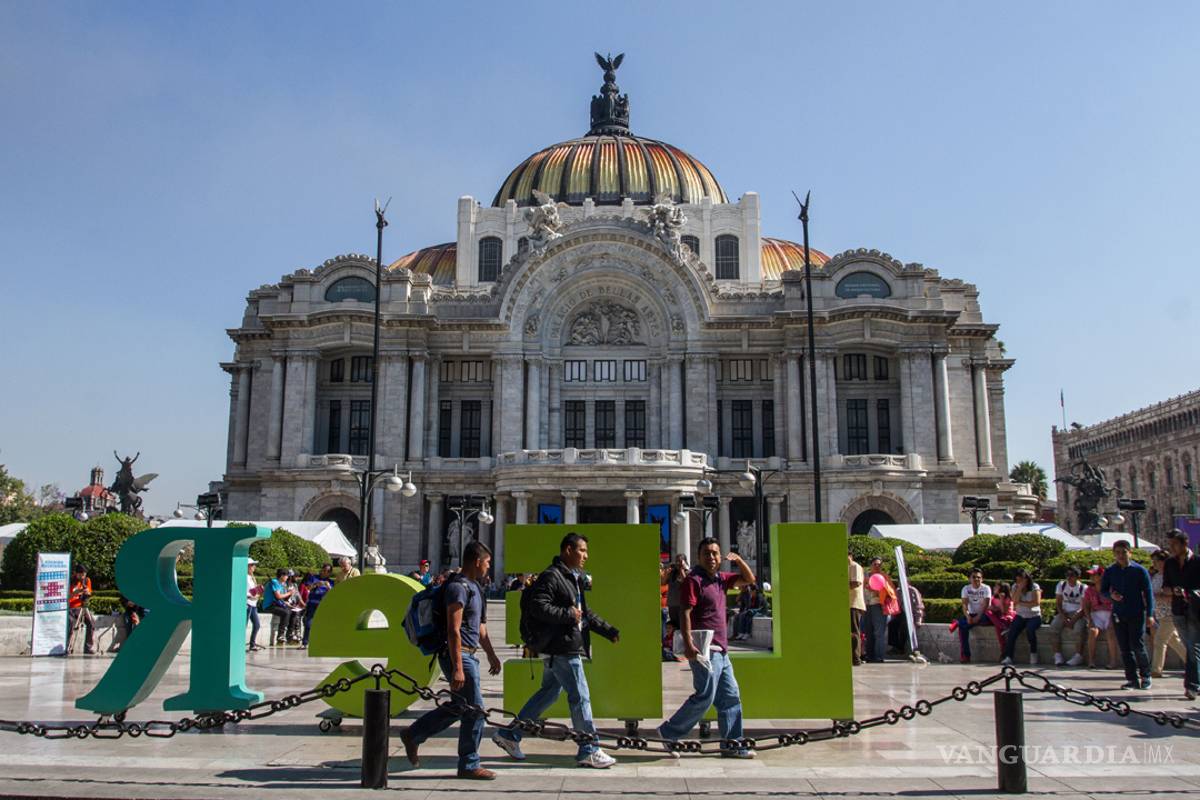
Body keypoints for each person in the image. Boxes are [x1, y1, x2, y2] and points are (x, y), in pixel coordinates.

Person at [494, 533, 620, 768]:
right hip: (562, 646)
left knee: (549, 693)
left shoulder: (573, 578)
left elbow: (584, 612)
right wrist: (568, 615)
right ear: (568, 550)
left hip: (561, 644)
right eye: (582, 551)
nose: (586, 556)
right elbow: (538, 606)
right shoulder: (552, 576)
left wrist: (608, 630)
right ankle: (588, 748)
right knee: (580, 696)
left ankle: (510, 735)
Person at [401, 541, 502, 780]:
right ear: (477, 561)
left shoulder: (477, 588)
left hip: (470, 654)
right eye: (487, 562)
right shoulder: (457, 588)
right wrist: (457, 667)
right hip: (458, 654)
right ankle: (469, 763)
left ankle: (414, 734)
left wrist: (491, 654)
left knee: (460, 707)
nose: (489, 566)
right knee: (475, 710)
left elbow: (481, 629)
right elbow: (453, 629)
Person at [656, 537, 756, 759]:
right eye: (706, 553)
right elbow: (685, 612)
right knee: (705, 696)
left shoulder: (722, 579)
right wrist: (690, 643)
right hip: (704, 648)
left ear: (720, 557)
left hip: (722, 650)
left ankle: (732, 743)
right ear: (699, 557)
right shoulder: (694, 580)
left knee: (730, 696)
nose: (711, 557)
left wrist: (739, 559)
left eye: (715, 553)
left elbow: (749, 579)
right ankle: (668, 732)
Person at [1101, 540, 1154, 689]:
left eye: (1123, 552)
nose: (1121, 556)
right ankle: (1132, 678)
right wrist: (1112, 596)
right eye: (1117, 553)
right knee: (1124, 648)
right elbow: (1103, 591)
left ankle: (1146, 675)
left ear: (1129, 552)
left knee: (1138, 645)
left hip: (1136, 612)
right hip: (1119, 613)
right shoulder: (1111, 571)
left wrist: (1150, 614)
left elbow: (1148, 593)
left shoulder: (1139, 570)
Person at [1163, 529, 1200, 699]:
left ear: (1185, 543)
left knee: (1193, 648)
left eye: (1174, 544)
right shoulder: (1170, 564)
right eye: (1170, 545)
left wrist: (1189, 592)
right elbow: (1165, 587)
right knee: (1191, 649)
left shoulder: (1197, 562)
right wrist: (1174, 591)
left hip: (1195, 609)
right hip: (1178, 609)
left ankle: (1191, 686)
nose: (1172, 548)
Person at [1149, 549, 1187, 679]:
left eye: (1157, 561)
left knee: (1159, 640)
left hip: (1171, 612)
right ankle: (1192, 662)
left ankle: (1156, 669)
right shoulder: (1156, 576)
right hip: (1160, 612)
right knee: (1174, 641)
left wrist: (1160, 596)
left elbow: (1176, 595)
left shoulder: (1172, 576)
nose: (1154, 563)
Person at [1002, 570, 1043, 666]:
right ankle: (1009, 656)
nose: (1020, 582)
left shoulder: (1034, 587)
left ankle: (1033, 653)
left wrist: (1021, 603)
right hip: (1020, 615)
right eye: (1018, 580)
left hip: (1034, 615)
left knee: (1030, 630)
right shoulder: (1015, 587)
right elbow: (1014, 600)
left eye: (1022, 580)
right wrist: (1019, 588)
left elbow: (1036, 602)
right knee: (1012, 632)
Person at [951, 569, 992, 663]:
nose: (976, 579)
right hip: (971, 614)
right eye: (974, 577)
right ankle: (966, 655)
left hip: (983, 614)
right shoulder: (965, 589)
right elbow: (964, 605)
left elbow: (986, 605)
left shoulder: (986, 588)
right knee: (963, 628)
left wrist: (978, 617)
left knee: (966, 623)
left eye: (978, 577)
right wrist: (968, 616)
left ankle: (958, 622)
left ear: (982, 579)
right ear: (969, 578)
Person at [1082, 566, 1119, 669]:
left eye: (1094, 574)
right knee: (1093, 631)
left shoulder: (1110, 588)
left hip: (1109, 614)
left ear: (1101, 575)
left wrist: (1112, 619)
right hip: (1096, 614)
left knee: (1110, 632)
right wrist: (1089, 619)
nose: (1092, 577)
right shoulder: (1089, 590)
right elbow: (1085, 605)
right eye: (1091, 574)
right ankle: (1091, 660)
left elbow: (1116, 603)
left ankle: (1113, 661)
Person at [1049, 566, 1087, 666]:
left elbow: (1083, 607)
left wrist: (1073, 619)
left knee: (1079, 630)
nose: (1069, 578)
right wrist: (1064, 617)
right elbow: (1058, 603)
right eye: (1067, 575)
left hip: (1078, 614)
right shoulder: (1061, 585)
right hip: (1064, 612)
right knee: (1054, 627)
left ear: (1078, 577)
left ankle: (1078, 656)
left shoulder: (1083, 587)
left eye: (1072, 575)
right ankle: (1057, 655)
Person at [862, 557, 896, 663]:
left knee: (879, 632)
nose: (877, 566)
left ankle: (879, 656)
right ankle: (869, 656)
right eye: (875, 564)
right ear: (870, 565)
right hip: (866, 606)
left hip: (879, 606)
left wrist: (878, 591)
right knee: (868, 632)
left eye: (879, 564)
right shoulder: (864, 576)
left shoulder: (884, 577)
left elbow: (891, 592)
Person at [262, 568, 302, 644]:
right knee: (286, 612)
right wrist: (290, 593)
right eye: (287, 576)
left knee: (293, 612)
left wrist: (288, 604)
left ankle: (290, 634)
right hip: (269, 605)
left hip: (277, 604)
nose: (287, 578)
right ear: (282, 576)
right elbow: (278, 596)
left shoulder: (280, 584)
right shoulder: (275, 582)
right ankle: (281, 635)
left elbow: (281, 599)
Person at [887, 581, 925, 656]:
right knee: (892, 624)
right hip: (901, 613)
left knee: (904, 625)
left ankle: (901, 648)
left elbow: (918, 606)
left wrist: (918, 620)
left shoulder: (912, 590)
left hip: (912, 614)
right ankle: (895, 646)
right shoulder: (898, 591)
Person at [302, 563, 335, 647]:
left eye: (327, 571)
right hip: (312, 603)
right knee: (308, 624)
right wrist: (316, 584)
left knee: (321, 625)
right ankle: (305, 643)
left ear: (330, 573)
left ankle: (319, 642)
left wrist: (328, 587)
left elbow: (333, 594)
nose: (325, 572)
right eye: (324, 570)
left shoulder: (330, 582)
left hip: (323, 604)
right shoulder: (314, 578)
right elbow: (307, 588)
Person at [68, 564, 97, 655]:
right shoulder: (70, 582)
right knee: (71, 624)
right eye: (80, 575)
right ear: (76, 574)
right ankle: (67, 646)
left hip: (83, 607)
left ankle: (88, 647)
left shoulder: (87, 580)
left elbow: (89, 593)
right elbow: (66, 598)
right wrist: (76, 592)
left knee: (91, 623)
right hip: (72, 608)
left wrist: (87, 593)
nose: (82, 576)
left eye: (84, 574)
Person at [984, 582, 1015, 652]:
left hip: (1006, 618)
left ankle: (1004, 651)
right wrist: (994, 608)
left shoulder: (1007, 598)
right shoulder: (993, 598)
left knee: (998, 628)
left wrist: (1001, 600)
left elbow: (1004, 611)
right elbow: (988, 608)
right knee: (988, 613)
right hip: (998, 619)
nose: (994, 588)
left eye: (996, 587)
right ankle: (1002, 626)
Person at [661, 554, 689, 628]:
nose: (677, 563)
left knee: (683, 626)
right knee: (674, 627)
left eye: (679, 561)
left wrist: (682, 569)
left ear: (684, 561)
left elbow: (686, 583)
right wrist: (667, 573)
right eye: (676, 561)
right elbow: (663, 582)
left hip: (682, 604)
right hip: (672, 604)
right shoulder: (672, 573)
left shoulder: (687, 572)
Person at [849, 552, 866, 666]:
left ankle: (856, 658)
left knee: (854, 631)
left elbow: (855, 583)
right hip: (848, 604)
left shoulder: (855, 566)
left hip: (854, 604)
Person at [246, 558, 264, 651]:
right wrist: (250, 596)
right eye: (253, 565)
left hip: (253, 604)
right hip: (248, 604)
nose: (254, 567)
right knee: (244, 626)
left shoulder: (251, 577)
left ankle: (252, 644)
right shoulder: (244, 577)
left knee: (257, 625)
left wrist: (258, 590)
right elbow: (244, 591)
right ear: (248, 566)